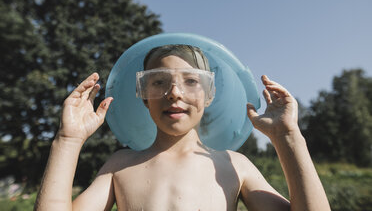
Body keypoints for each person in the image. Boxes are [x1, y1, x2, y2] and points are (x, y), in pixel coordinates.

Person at [34, 44, 331, 211]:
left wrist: (288, 138)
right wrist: (68, 140)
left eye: (191, 81)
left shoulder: (234, 165)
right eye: (159, 82)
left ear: (209, 94)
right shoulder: (119, 166)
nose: (174, 92)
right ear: (144, 97)